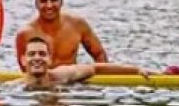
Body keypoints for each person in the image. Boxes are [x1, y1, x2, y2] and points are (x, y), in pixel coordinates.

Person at [15, 0, 107, 68]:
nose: (49, 5)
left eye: (53, 0)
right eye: (43, 1)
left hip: (72, 82)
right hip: (41, 83)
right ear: (36, 4)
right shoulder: (25, 34)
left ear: (61, 1)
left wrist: (104, 79)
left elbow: (99, 54)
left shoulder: (78, 25)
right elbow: (24, 70)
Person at [17, 37, 147, 88]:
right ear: (23, 60)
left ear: (50, 59)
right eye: (32, 54)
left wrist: (136, 70)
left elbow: (95, 68)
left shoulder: (62, 75)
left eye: (42, 54)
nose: (37, 58)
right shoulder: (13, 87)